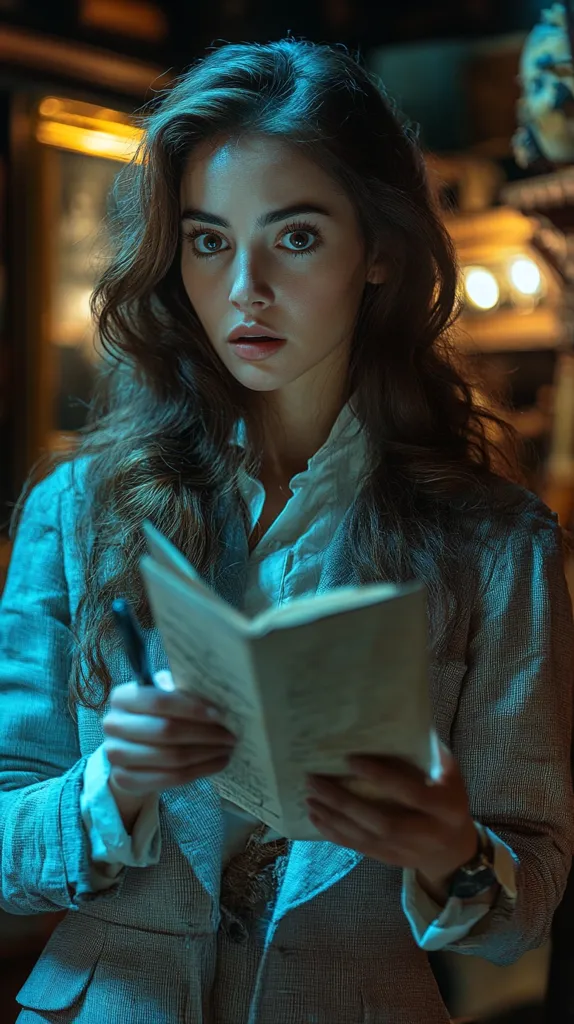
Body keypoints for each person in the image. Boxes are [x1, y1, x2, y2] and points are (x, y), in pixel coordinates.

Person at [0, 37, 572, 1024]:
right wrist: (109, 784)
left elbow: (518, 915)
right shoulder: (75, 509)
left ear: (378, 249)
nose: (243, 290)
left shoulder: (497, 544)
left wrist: (448, 850)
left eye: (294, 237)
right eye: (209, 239)